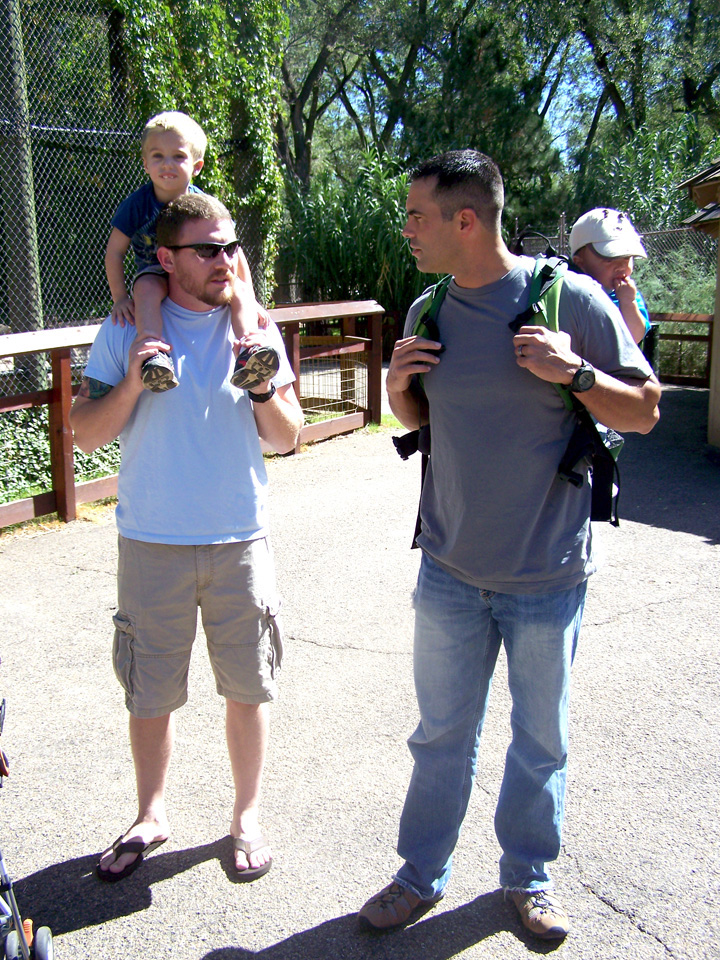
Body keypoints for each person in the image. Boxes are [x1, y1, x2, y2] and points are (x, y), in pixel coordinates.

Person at [358, 151, 660, 940]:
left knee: (539, 742)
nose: (407, 230)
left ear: (466, 220)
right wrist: (396, 389)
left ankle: (528, 878)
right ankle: (419, 875)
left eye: (417, 216)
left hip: (546, 577)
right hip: (450, 572)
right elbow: (419, 422)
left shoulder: (571, 300)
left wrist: (577, 375)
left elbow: (647, 413)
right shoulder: (429, 309)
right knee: (439, 739)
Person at [71, 192, 303, 883]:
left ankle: (247, 816)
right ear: (167, 260)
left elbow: (286, 438)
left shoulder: (256, 328)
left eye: (232, 246)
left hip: (240, 540)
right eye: (209, 249)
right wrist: (136, 382)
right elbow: (84, 432)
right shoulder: (125, 330)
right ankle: (151, 813)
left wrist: (262, 383)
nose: (227, 261)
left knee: (248, 689)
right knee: (150, 692)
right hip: (151, 540)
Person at [105, 110, 279, 393]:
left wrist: (250, 298)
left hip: (200, 275)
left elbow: (234, 253)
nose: (167, 164)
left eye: (178, 156)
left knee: (237, 290)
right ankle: (153, 356)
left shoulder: (205, 205)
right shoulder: (136, 205)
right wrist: (120, 298)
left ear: (197, 166)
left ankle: (250, 350)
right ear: (145, 163)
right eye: (158, 156)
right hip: (155, 272)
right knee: (146, 288)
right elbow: (114, 252)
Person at [570, 208, 651, 345]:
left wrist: (628, 302)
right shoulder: (570, 292)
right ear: (580, 263)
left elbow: (633, 338)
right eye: (609, 259)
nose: (621, 266)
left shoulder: (628, 295)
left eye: (626, 258)